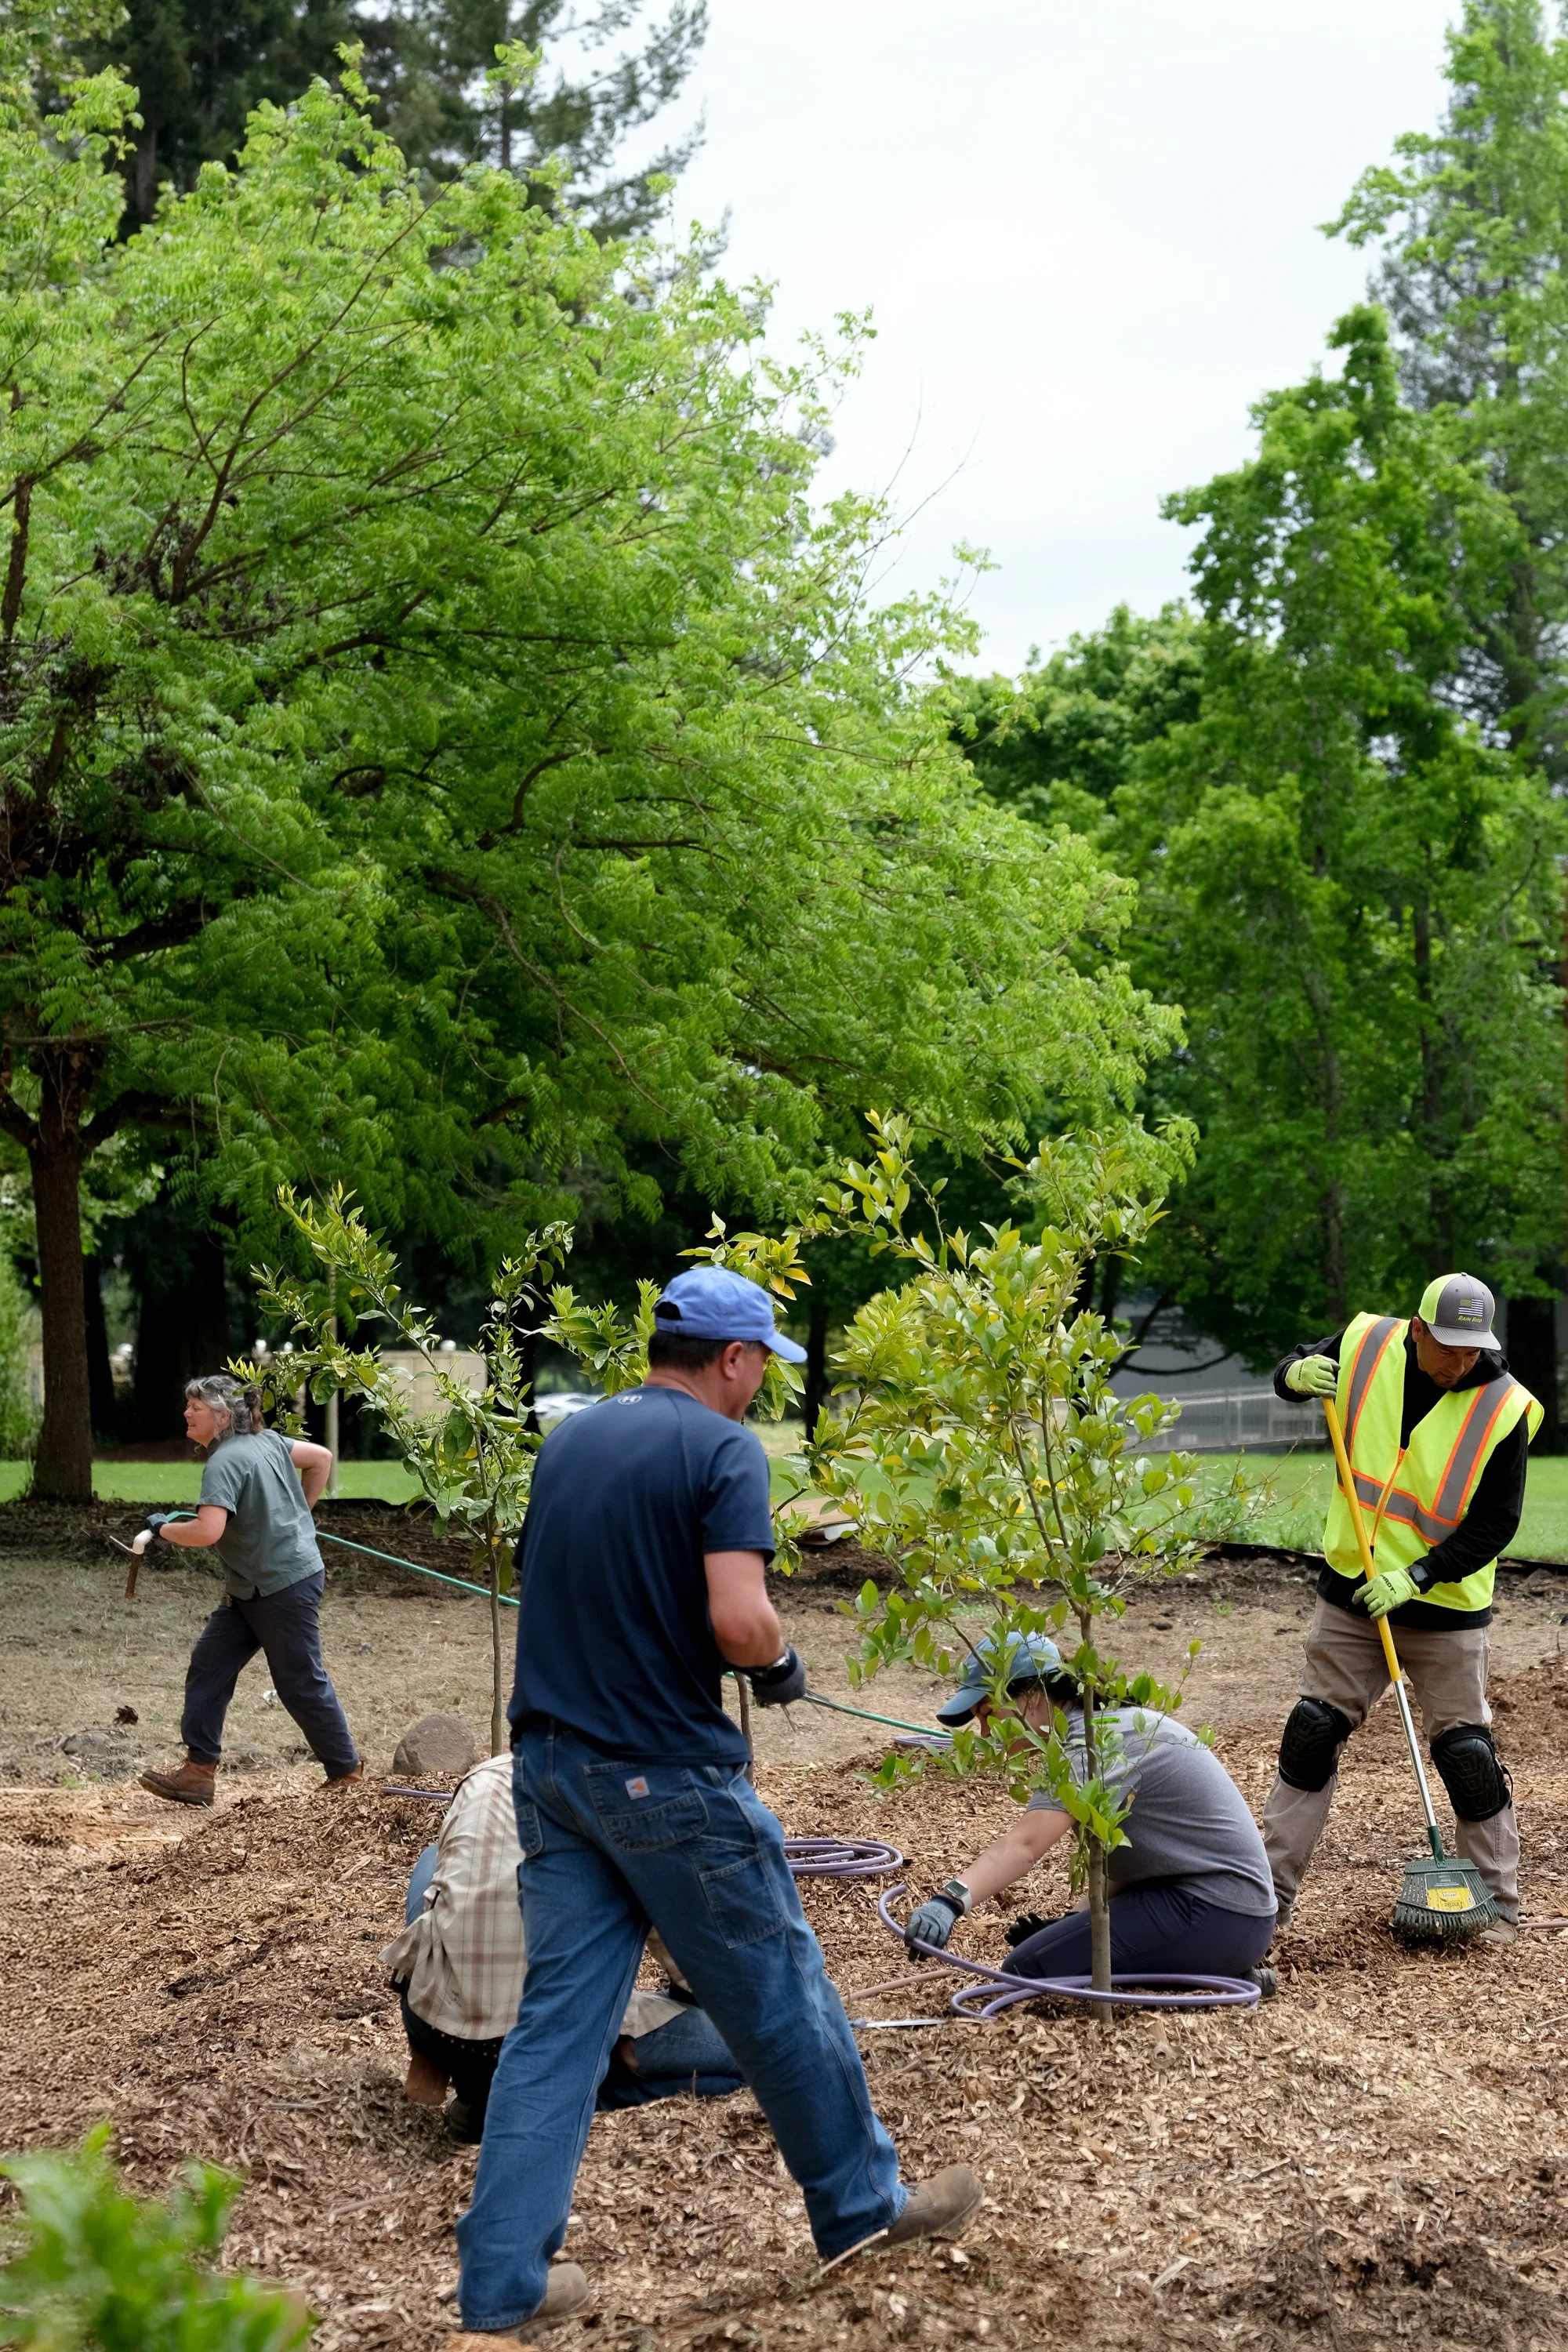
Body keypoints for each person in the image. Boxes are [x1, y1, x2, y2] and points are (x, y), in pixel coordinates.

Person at [450, 1265, 980, 2340]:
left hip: (550, 1770)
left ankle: (501, 2283)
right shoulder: (722, 1449)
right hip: (664, 1777)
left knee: (557, 2028)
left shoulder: (572, 1441)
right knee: (781, 1994)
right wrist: (777, 1662)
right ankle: (861, 2211)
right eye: (760, 1369)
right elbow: (739, 1621)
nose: (760, 1392)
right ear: (731, 1358)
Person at [1261, 1272, 1541, 1945]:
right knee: (1312, 1733)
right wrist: (1295, 1375)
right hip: (1352, 1592)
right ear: (1418, 1331)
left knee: (1467, 1753)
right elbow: (1292, 1367)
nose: (1463, 1362)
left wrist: (1418, 1575)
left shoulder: (1504, 1409)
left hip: (1445, 1605)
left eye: (1475, 1350)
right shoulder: (1366, 1345)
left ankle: (1498, 1904)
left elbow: (1496, 1525)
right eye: (1450, 1347)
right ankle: (1263, 1899)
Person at [382, 1751, 744, 2140]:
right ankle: (578, 2099)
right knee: (744, 2061)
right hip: (548, 2041)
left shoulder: (485, 1774)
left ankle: (456, 2083)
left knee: (433, 1863)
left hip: (438, 2025)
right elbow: (682, 1952)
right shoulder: (634, 1800)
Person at [904, 1635, 1276, 1982]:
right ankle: (1210, 1967)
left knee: (1029, 1967)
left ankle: (1212, 1975)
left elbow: (1025, 1846)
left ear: (1032, 1696)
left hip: (1218, 1914)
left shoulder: (1092, 1743)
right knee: (1051, 1954)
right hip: (1224, 1913)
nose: (985, 1733)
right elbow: (1133, 1862)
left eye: (988, 1714)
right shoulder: (1100, 1726)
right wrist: (1074, 1923)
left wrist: (948, 1901)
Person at [138, 1374, 360, 1806]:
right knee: (210, 1664)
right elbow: (321, 1459)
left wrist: (163, 1528)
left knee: (299, 1680)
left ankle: (347, 1773)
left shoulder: (224, 1462)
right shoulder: (268, 1441)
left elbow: (206, 1531)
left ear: (222, 1416)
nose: (186, 1413)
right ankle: (199, 1773)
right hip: (252, 1587)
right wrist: (298, 1514)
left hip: (283, 1585)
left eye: (195, 1408)